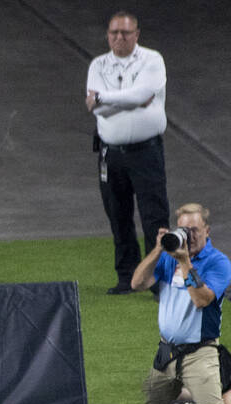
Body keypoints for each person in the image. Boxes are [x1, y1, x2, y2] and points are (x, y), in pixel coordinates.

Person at [131, 203, 231, 404]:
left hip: (199, 352)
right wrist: (158, 249)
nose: (189, 236)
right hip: (168, 351)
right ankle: (193, 388)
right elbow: (137, 284)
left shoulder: (217, 262)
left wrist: (184, 261)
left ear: (206, 231)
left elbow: (201, 300)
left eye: (194, 231)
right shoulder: (166, 258)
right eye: (184, 230)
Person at [86, 11, 169, 295]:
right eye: (114, 33)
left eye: (125, 33)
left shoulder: (152, 60)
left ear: (137, 34)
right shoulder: (98, 65)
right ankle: (127, 276)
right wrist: (129, 100)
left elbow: (140, 94)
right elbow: (97, 108)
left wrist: (105, 97)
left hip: (146, 151)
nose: (119, 38)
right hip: (112, 154)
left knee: (154, 215)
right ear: (108, 35)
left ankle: (159, 280)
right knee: (117, 214)